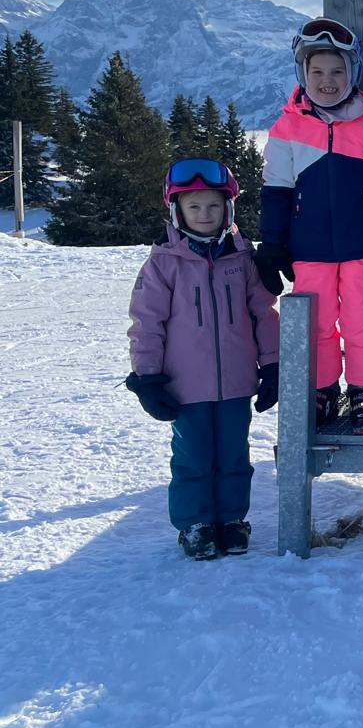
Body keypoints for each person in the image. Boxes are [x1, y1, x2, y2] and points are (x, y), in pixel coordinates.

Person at [256, 18, 363, 435]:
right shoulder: (287, 128)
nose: (327, 81)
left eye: (336, 71)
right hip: (308, 249)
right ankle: (323, 389)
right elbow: (275, 193)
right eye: (317, 72)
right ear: (303, 73)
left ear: (353, 73)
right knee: (318, 323)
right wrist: (271, 244)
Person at [126, 160, 281, 559]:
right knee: (193, 457)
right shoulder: (164, 263)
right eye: (193, 207)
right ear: (176, 210)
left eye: (213, 206)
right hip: (185, 385)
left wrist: (273, 365)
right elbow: (147, 323)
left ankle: (231, 520)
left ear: (227, 209)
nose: (204, 215)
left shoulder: (242, 259)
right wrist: (147, 377)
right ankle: (195, 523)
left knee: (234, 454)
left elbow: (263, 315)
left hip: (236, 381)